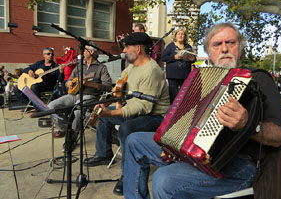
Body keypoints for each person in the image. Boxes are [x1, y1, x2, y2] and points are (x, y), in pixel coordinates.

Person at [123, 22, 281, 199]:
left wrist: (249, 125)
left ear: (240, 47)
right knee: (134, 141)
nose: (224, 49)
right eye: (217, 44)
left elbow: (279, 137)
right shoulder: (202, 79)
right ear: (209, 51)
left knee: (164, 180)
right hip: (197, 150)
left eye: (231, 43)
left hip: (239, 164)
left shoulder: (258, 78)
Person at [83, 32, 170, 196]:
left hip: (156, 116)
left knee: (126, 129)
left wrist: (113, 112)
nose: (124, 50)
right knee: (105, 119)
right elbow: (118, 90)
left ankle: (127, 173)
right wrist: (104, 104)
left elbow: (143, 106)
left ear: (138, 49)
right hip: (136, 110)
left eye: (127, 47)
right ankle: (103, 153)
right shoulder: (131, 67)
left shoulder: (151, 70)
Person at [48, 42, 112, 150]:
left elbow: (108, 87)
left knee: (77, 110)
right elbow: (69, 80)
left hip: (90, 96)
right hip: (74, 95)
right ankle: (66, 128)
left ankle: (73, 135)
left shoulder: (101, 67)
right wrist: (68, 83)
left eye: (85, 50)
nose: (82, 52)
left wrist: (89, 84)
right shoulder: (79, 66)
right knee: (50, 106)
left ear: (91, 52)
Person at [162, 28, 196, 103]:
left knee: (184, 96)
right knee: (173, 96)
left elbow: (193, 59)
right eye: (179, 34)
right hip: (173, 76)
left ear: (185, 36)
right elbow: (163, 58)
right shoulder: (170, 46)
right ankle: (171, 112)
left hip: (185, 75)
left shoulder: (188, 47)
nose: (181, 36)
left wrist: (192, 59)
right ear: (176, 36)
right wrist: (174, 57)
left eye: (182, 34)